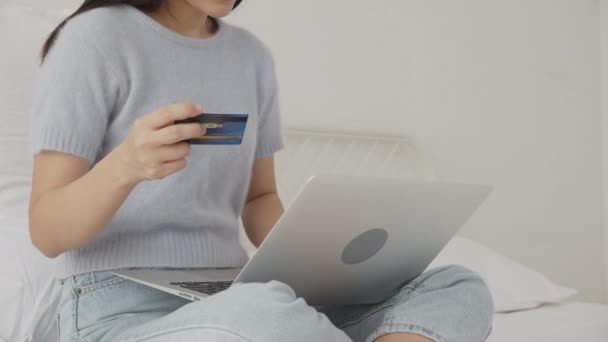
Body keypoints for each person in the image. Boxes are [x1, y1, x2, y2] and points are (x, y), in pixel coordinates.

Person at [28, 1, 494, 341]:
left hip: (234, 291)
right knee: (263, 314)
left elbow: (258, 199)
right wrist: (124, 166)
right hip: (119, 308)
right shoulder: (94, 38)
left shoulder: (251, 56)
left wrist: (316, 256)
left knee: (456, 286)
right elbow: (46, 231)